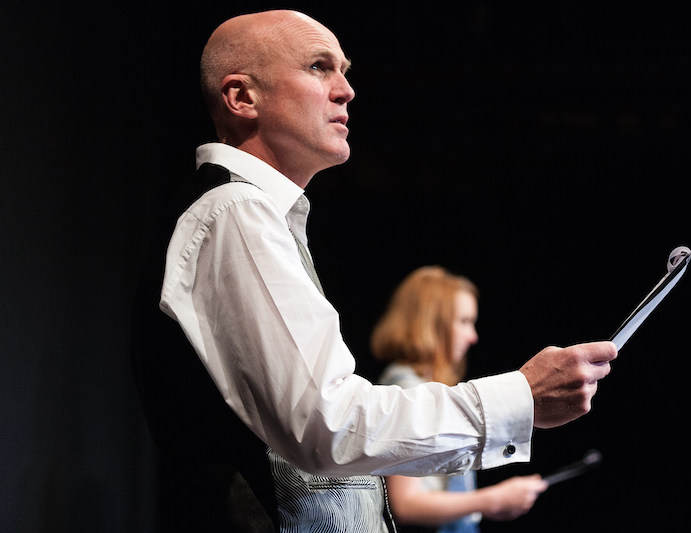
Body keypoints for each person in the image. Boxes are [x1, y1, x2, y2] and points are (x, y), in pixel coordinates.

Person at [130, 9, 617, 533]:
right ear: (242, 98)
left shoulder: (251, 214)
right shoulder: (234, 212)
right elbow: (329, 426)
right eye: (319, 67)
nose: (346, 91)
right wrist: (517, 396)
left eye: (345, 70)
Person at [373, 266, 549, 532]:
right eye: (464, 321)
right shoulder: (407, 390)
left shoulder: (425, 388)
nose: (473, 336)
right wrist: (491, 500)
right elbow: (405, 503)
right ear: (433, 324)